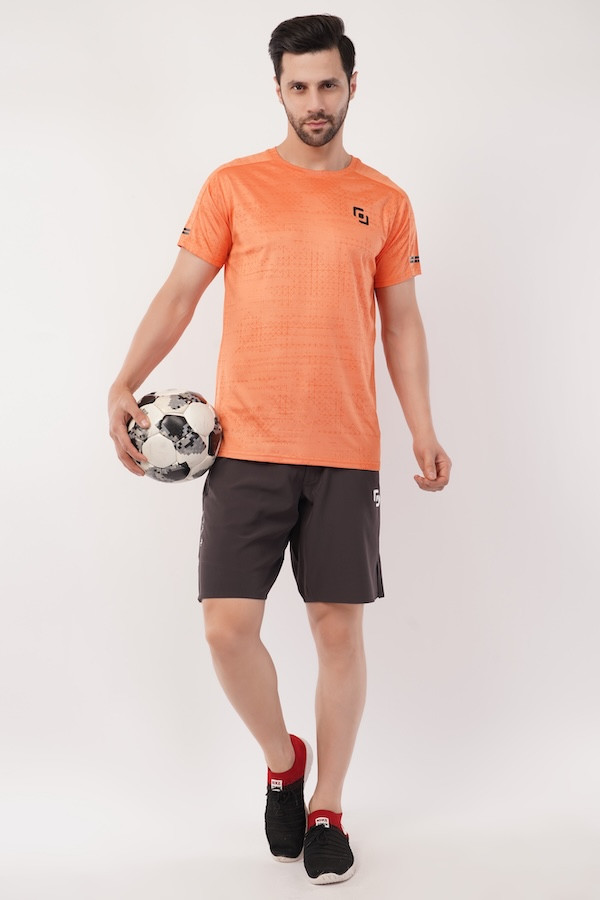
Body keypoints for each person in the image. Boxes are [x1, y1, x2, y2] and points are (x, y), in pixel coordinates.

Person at [108, 14, 451, 885]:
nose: (314, 102)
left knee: (338, 632)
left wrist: (422, 426)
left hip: (346, 449)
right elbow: (180, 294)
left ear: (352, 86)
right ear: (278, 90)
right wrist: (124, 381)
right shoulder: (234, 186)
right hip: (246, 447)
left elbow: (402, 324)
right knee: (227, 630)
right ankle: (283, 760)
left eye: (328, 84)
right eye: (298, 87)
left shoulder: (386, 201)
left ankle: (328, 808)